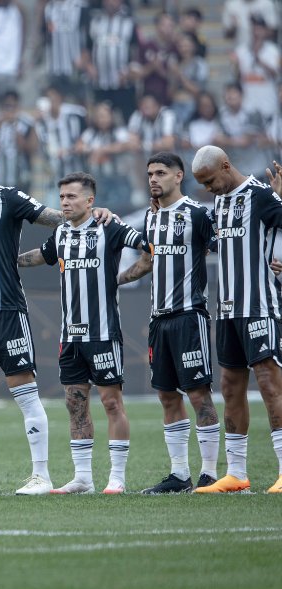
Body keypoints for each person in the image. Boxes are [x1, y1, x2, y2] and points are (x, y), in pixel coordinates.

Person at [0, 138, 115, 496]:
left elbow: (56, 217)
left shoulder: (8, 198)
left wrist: (96, 213)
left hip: (6, 309)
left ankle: (41, 476)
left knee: (25, 395)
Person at [17, 172, 144, 494]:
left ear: (90, 201)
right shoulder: (60, 234)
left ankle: (117, 477)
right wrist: (3, 259)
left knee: (112, 403)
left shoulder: (109, 227)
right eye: (61, 198)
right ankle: (83, 478)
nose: (64, 203)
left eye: (71, 197)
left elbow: (150, 247)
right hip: (70, 336)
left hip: (102, 333)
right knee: (75, 403)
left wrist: (126, 276)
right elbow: (35, 258)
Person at [118, 152, 221, 493]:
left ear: (179, 176)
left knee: (198, 395)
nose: (153, 178)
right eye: (150, 173)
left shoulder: (197, 214)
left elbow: (227, 248)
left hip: (189, 317)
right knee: (166, 396)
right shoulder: (151, 219)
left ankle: (208, 474)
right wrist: (113, 280)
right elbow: (147, 261)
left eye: (161, 172)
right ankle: (179, 475)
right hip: (158, 321)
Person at [191, 145, 282, 494]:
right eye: (203, 184)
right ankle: (237, 474)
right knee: (230, 386)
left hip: (259, 307)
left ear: (226, 166)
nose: (209, 189)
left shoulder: (259, 195)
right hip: (226, 310)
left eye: (211, 180)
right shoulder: (221, 202)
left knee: (270, 384)